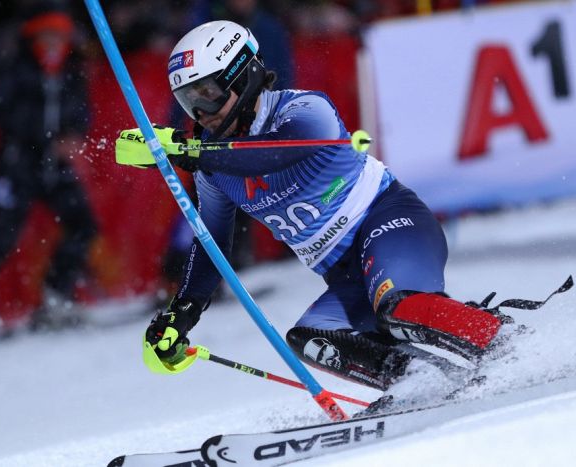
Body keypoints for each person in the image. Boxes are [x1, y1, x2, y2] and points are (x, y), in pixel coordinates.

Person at [123, 21, 508, 390]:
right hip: (345, 275)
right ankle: (427, 382)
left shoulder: (305, 111)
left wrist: (186, 149)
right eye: (189, 103)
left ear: (243, 75)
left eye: (208, 94)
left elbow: (269, 156)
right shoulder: (212, 168)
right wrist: (180, 313)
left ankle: (510, 341)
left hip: (391, 223)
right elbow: (213, 245)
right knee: (312, 338)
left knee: (397, 308)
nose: (203, 113)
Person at [0, 4, 97, 333]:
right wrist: (46, 139)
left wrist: (73, 136)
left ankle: (56, 297)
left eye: (59, 35)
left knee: (83, 225)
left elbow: (82, 111)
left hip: (56, 168)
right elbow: (4, 115)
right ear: (33, 36)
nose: (53, 42)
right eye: (46, 35)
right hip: (20, 168)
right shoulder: (15, 69)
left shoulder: (72, 69)